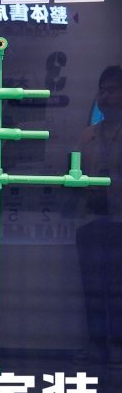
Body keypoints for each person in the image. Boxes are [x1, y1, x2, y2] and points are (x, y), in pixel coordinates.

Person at [76, 65, 122, 364]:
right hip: (91, 221)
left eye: (112, 90)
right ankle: (97, 345)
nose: (104, 96)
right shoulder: (88, 135)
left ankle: (117, 348)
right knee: (92, 288)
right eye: (101, 90)